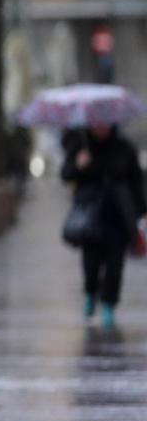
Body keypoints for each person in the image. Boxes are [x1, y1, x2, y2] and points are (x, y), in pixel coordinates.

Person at [61, 123, 146, 330]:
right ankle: (90, 292)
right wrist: (79, 165)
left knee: (115, 266)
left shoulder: (124, 147)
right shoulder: (81, 145)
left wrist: (142, 208)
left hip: (118, 215)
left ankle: (109, 305)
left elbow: (136, 179)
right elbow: (66, 174)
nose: (102, 127)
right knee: (91, 264)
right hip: (90, 216)